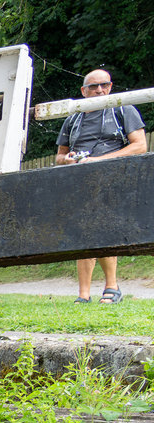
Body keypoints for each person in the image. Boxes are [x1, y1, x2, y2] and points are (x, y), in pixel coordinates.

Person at [56, 69, 147, 303]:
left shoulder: (124, 109)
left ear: (111, 86)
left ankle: (112, 287)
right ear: (83, 91)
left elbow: (140, 146)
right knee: (82, 233)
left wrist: (98, 160)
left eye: (104, 85)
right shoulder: (73, 117)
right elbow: (59, 156)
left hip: (113, 178)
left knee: (104, 231)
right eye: (94, 87)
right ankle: (83, 295)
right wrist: (68, 160)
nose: (99, 90)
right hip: (79, 180)